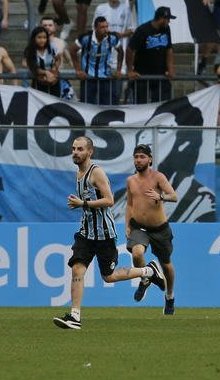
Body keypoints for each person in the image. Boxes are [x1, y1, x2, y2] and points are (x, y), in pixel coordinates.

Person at [53, 136, 167, 330]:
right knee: (77, 269)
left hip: (104, 234)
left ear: (90, 152)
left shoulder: (96, 173)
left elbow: (110, 200)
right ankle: (75, 316)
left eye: (80, 149)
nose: (75, 152)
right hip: (85, 232)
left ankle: (148, 271)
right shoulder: (78, 173)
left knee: (109, 276)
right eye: (73, 149)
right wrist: (82, 206)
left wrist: (83, 203)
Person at [124, 144, 179, 314]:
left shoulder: (158, 177)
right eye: (136, 157)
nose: (138, 160)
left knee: (167, 265)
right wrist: (127, 224)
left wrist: (160, 196)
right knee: (137, 253)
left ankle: (169, 297)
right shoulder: (131, 180)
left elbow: (174, 196)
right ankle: (146, 279)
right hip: (138, 227)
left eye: (142, 157)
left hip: (160, 229)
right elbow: (130, 204)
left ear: (150, 159)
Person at [128, 6, 176, 103]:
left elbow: (169, 49)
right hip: (142, 76)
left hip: (161, 75)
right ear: (162, 19)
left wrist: (170, 68)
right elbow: (130, 50)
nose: (169, 22)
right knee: (141, 107)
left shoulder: (166, 29)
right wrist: (130, 70)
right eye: (168, 19)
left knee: (162, 106)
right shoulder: (142, 30)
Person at [71, 15, 122, 105]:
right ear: (95, 28)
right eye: (102, 27)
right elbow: (72, 50)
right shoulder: (86, 37)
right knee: (87, 105)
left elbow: (121, 51)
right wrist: (78, 70)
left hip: (106, 77)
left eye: (106, 26)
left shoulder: (112, 38)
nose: (106, 29)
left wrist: (118, 70)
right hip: (88, 77)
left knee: (107, 105)